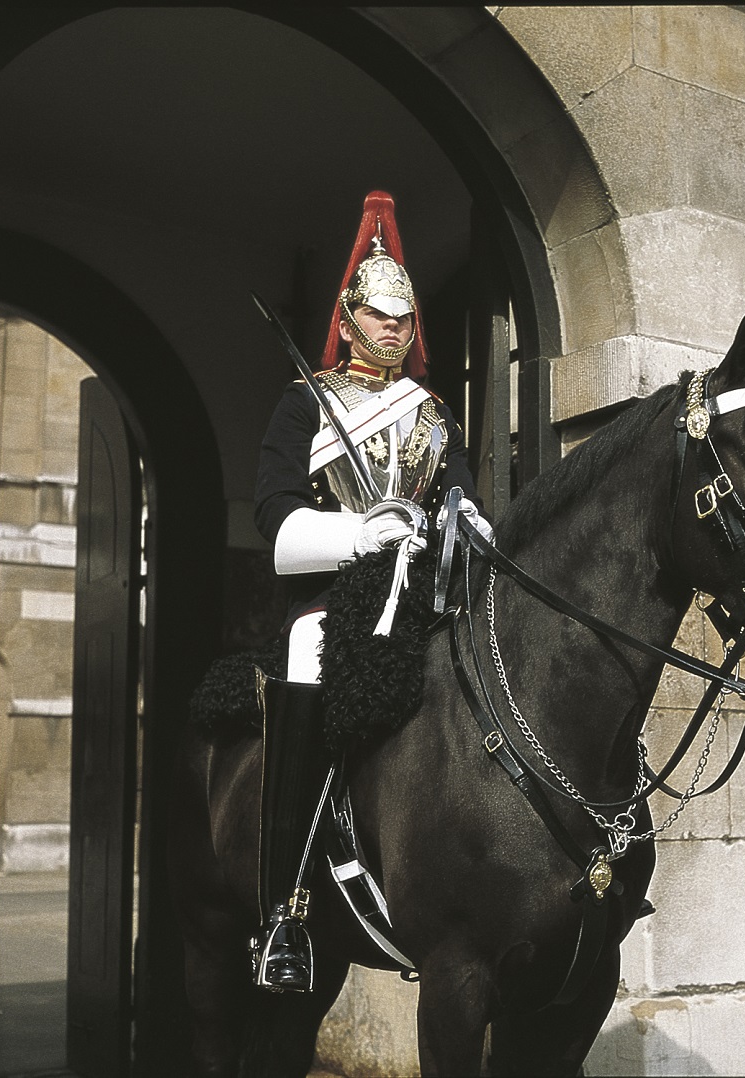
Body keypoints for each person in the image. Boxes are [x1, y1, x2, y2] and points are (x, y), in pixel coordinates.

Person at [251, 190, 490, 992]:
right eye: (378, 314)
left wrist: (467, 525)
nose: (394, 327)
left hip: (420, 589)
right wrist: (358, 535)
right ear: (349, 319)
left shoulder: (435, 415)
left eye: (404, 316)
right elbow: (276, 520)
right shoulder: (304, 403)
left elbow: (461, 495)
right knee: (308, 652)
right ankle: (283, 912)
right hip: (334, 593)